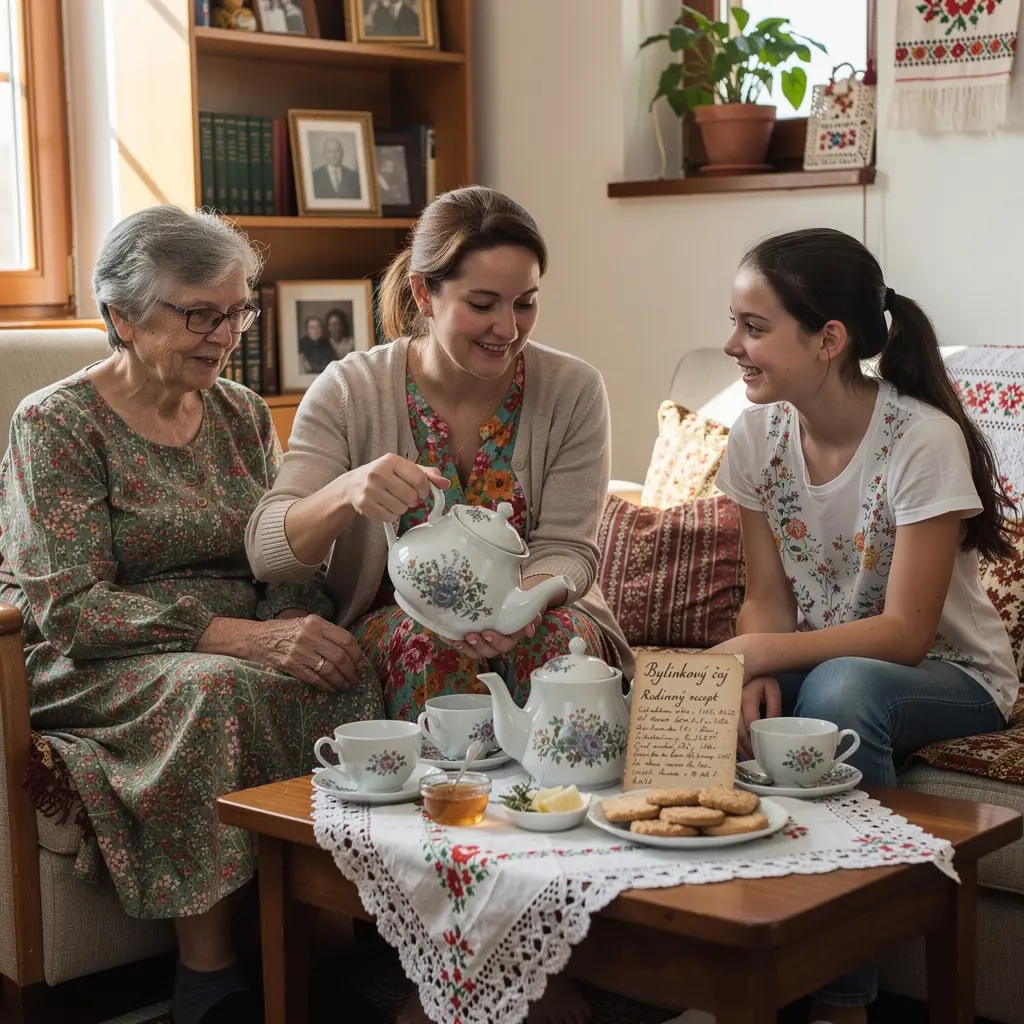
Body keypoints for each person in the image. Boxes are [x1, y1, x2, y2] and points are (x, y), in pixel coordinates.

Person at [247, 185, 630, 1024]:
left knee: (563, 655)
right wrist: (347, 492)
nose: (508, 327)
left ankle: (543, 944)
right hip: (396, 628)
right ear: (424, 293)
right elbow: (269, 546)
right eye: (482, 304)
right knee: (423, 648)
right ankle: (462, 961)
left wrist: (522, 605)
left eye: (525, 303)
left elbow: (572, 548)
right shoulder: (350, 390)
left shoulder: (572, 388)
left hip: (542, 612)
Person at [0, 206, 385, 1024]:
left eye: (237, 312)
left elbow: (276, 552)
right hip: (96, 659)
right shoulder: (54, 424)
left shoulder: (240, 412)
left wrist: (299, 621)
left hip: (234, 640)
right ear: (122, 317)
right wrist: (242, 638)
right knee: (213, 691)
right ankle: (206, 977)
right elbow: (70, 608)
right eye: (199, 315)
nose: (225, 336)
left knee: (345, 667)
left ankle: (321, 940)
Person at [697, 227, 1016, 1024]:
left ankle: (843, 1002)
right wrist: (757, 667)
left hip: (954, 675)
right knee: (692, 700)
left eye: (754, 327)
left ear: (829, 339)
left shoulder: (922, 441)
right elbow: (767, 599)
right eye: (735, 323)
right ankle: (724, 967)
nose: (732, 344)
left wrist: (762, 651)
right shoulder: (756, 436)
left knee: (841, 693)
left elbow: (907, 632)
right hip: (829, 659)